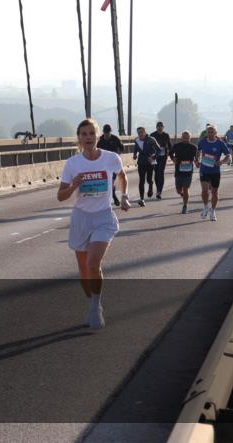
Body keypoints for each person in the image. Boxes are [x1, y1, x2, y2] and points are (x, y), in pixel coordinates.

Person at [58, 118, 130, 330]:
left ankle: (95, 307)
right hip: (81, 218)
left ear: (97, 136)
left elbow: (122, 177)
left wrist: (125, 196)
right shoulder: (72, 164)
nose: (88, 137)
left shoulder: (111, 158)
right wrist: (73, 186)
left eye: (91, 133)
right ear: (79, 139)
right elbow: (61, 196)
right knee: (83, 270)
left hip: (103, 217)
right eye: (84, 134)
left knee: (92, 264)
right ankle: (91, 302)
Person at [195, 124, 231, 221]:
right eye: (208, 132)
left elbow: (228, 155)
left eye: (212, 132)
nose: (210, 134)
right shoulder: (202, 142)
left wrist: (222, 161)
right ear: (206, 133)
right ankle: (206, 206)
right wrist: (197, 161)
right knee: (205, 190)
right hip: (204, 170)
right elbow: (197, 152)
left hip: (215, 171)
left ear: (215, 133)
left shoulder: (220, 143)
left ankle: (213, 210)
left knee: (215, 192)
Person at [170, 131, 198, 214]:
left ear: (190, 138)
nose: (185, 138)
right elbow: (170, 153)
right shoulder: (176, 146)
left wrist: (197, 162)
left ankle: (185, 206)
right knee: (179, 190)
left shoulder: (193, 147)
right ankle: (183, 195)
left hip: (188, 171)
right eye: (184, 137)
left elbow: (196, 157)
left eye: (187, 137)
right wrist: (173, 158)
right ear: (181, 137)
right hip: (178, 170)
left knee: (186, 189)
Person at [97, 124, 125, 206]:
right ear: (103, 132)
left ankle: (114, 197)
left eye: (108, 133)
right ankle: (110, 196)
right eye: (105, 133)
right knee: (105, 183)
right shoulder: (100, 140)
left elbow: (122, 148)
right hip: (102, 164)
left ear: (110, 132)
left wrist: (117, 155)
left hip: (113, 164)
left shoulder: (115, 139)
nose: (107, 134)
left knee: (111, 181)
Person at [133, 126, 161, 205]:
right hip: (141, 161)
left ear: (145, 132)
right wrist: (134, 155)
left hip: (150, 161)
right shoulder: (137, 140)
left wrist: (153, 157)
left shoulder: (151, 139)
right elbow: (135, 148)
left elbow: (159, 150)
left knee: (149, 179)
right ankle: (142, 199)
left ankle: (151, 186)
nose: (140, 134)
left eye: (142, 132)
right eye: (139, 133)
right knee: (141, 180)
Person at [150, 121, 173, 199]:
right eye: (158, 126)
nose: (160, 128)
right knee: (156, 173)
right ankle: (158, 188)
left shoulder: (166, 135)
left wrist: (171, 155)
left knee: (161, 172)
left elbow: (170, 146)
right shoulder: (152, 135)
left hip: (163, 156)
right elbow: (149, 145)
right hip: (154, 156)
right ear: (156, 127)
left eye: (161, 126)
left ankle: (159, 191)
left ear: (163, 127)